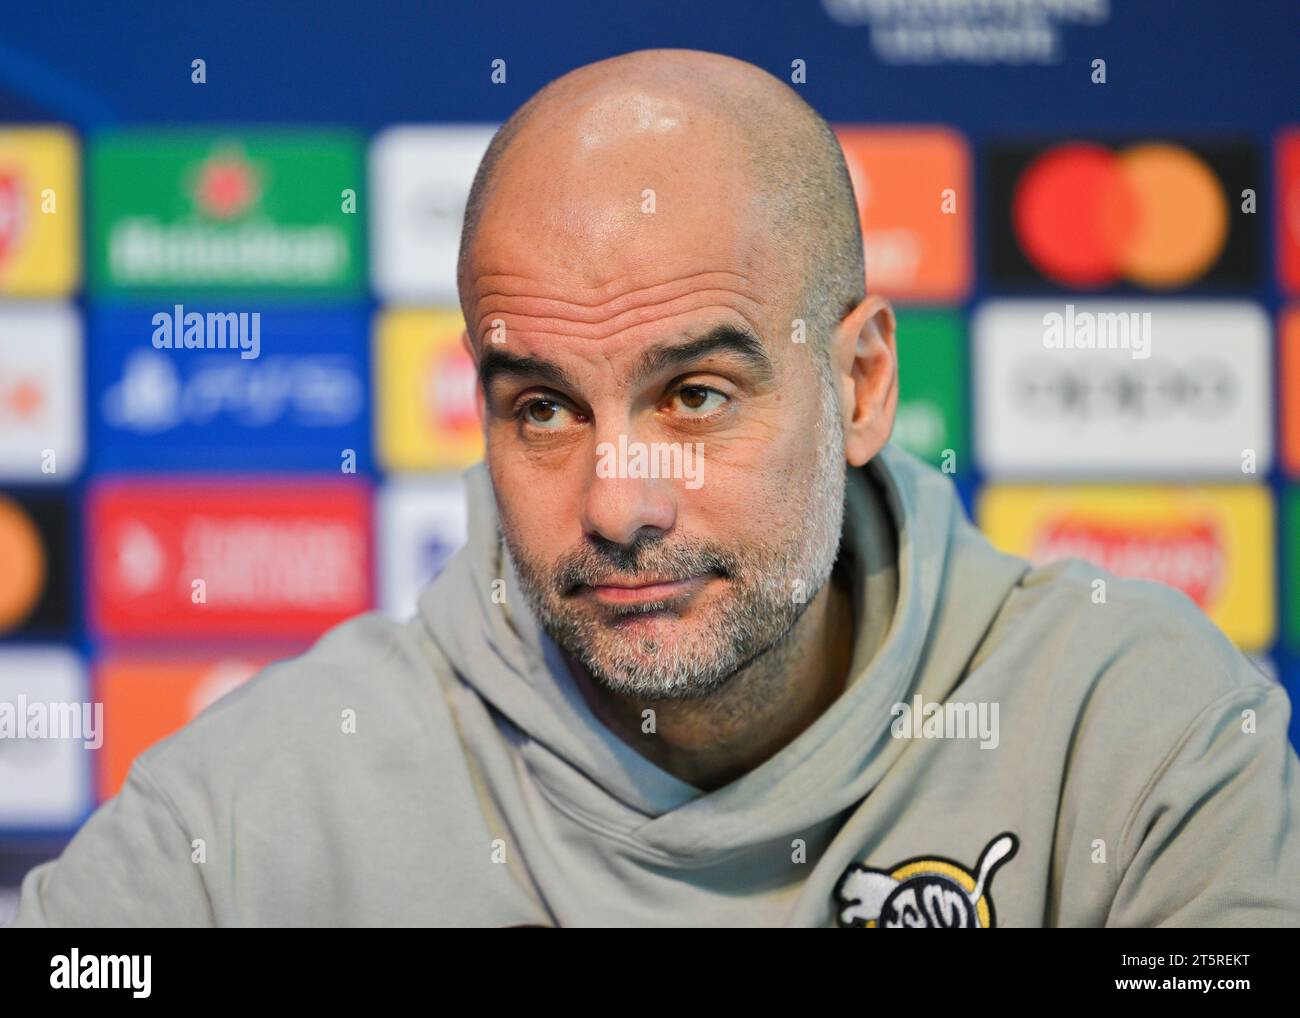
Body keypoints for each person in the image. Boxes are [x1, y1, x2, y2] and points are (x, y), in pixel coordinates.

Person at [12, 48, 1300, 928]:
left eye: (695, 396)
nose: (621, 504)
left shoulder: (1139, 742)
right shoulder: (247, 818)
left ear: (857, 385)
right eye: (545, 409)